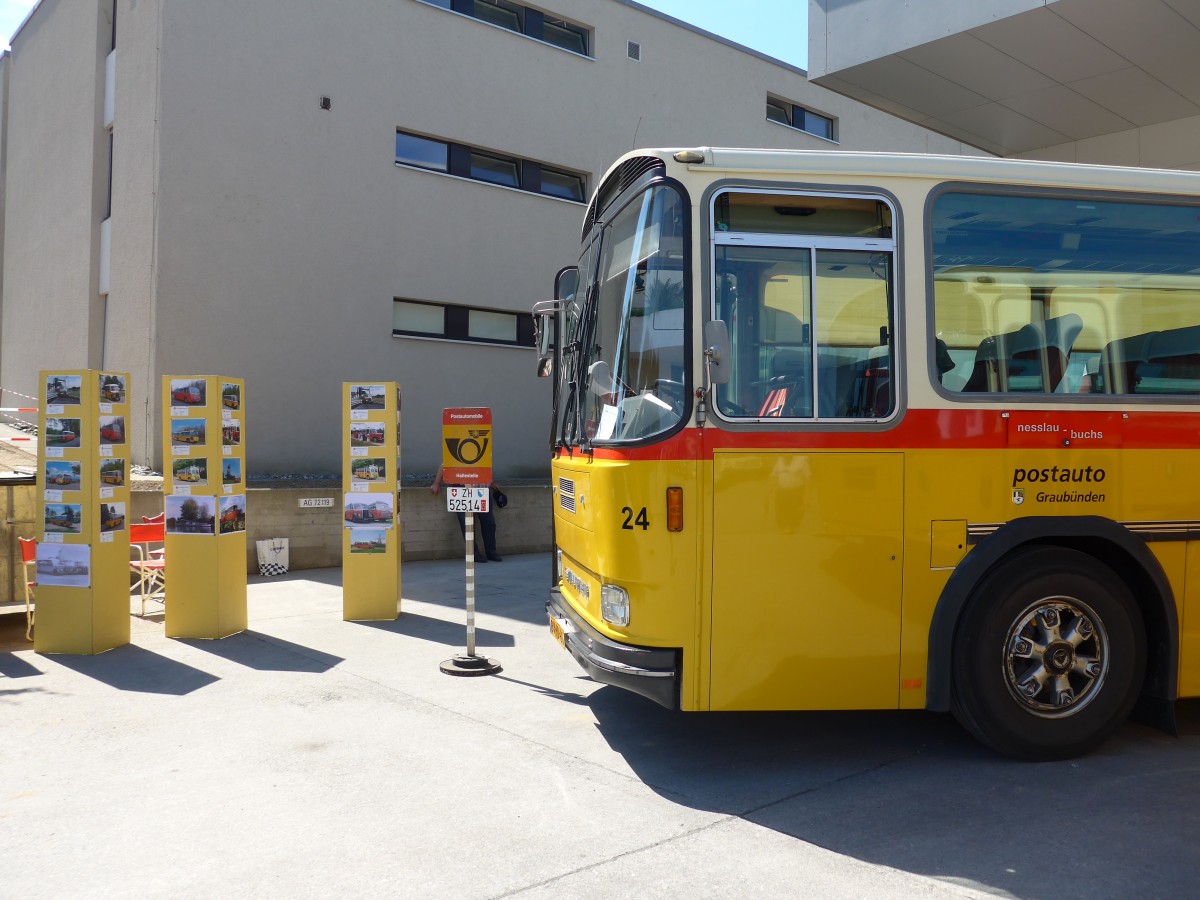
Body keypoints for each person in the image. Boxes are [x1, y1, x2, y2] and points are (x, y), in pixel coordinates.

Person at [430, 464, 502, 562]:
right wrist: (436, 483)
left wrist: (491, 482)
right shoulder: (457, 455)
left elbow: (484, 467)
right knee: (467, 525)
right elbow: (444, 465)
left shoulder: (483, 455)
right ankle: (474, 554)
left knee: (489, 523)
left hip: (482, 489)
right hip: (463, 490)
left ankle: (491, 552)